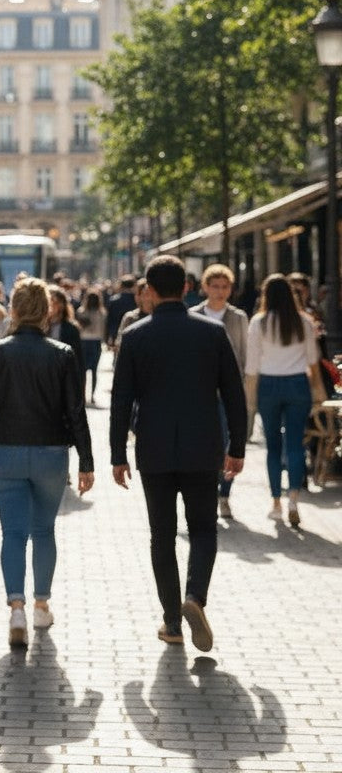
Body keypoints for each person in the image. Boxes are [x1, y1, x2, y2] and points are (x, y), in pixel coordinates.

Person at [110, 255, 246, 652]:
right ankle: (195, 597)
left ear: (149, 291)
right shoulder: (212, 333)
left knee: (162, 535)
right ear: (187, 289)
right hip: (204, 447)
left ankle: (172, 621)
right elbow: (234, 395)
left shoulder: (135, 337)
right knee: (204, 529)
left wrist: (117, 454)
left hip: (153, 449)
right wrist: (236, 446)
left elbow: (121, 400)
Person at [0, 278, 94, 647]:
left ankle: (16, 607)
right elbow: (76, 411)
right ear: (48, 310)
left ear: (15, 309)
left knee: (12, 533)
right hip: (51, 453)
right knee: (43, 531)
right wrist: (86, 461)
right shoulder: (62, 353)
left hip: (4, 452)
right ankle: (41, 604)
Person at [245, 272, 322, 528]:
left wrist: (250, 398)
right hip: (298, 384)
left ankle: (276, 501)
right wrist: (318, 393)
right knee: (295, 444)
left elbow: (252, 366)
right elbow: (312, 361)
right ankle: (294, 499)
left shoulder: (259, 322)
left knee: (273, 446)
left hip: (269, 384)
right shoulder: (303, 321)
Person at [190, 264, 249, 519]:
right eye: (215, 286)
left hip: (227, 392)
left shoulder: (237, 317)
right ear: (205, 287)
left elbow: (244, 355)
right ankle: (207, 491)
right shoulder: (193, 315)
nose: (220, 291)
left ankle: (224, 494)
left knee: (227, 443)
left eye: (225, 286)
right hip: (200, 392)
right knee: (202, 444)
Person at [47, 285, 84, 391]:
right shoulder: (39, 327)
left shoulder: (71, 328)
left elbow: (78, 360)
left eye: (53, 301)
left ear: (61, 304)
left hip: (63, 377)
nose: (50, 305)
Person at [76, 290, 106, 405]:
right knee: (94, 371)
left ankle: (83, 395)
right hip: (96, 342)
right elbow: (104, 328)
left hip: (84, 341)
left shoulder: (81, 311)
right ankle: (92, 395)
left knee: (82, 371)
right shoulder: (102, 313)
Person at [104, 274, 138, 346]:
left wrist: (107, 337)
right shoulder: (136, 299)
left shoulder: (113, 300)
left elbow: (109, 319)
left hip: (115, 332)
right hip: (134, 330)